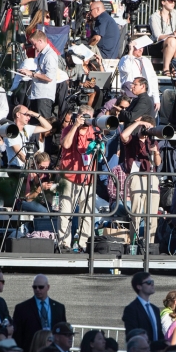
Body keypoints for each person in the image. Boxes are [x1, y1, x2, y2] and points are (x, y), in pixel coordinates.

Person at [56, 104, 96, 252]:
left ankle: (83, 244)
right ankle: (64, 244)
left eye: (88, 117)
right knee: (65, 212)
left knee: (87, 214)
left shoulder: (94, 131)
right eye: (83, 116)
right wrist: (75, 126)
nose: (85, 120)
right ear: (77, 116)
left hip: (88, 176)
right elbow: (65, 144)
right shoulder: (68, 129)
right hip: (69, 176)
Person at [119, 115, 162, 245]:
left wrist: (156, 152)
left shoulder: (152, 141)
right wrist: (138, 123)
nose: (146, 131)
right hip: (136, 177)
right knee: (136, 213)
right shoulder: (132, 139)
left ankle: (150, 245)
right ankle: (134, 243)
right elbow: (123, 135)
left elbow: (158, 163)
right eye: (145, 128)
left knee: (152, 215)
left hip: (151, 177)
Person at [12, 274, 67, 352]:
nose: (37, 290)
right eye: (34, 287)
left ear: (48, 287)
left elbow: (63, 331)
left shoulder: (59, 308)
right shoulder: (22, 308)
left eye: (41, 287)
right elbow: (17, 335)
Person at [18, 30, 58, 119]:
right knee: (35, 124)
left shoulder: (50, 55)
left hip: (44, 96)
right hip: (36, 94)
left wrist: (32, 74)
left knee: (43, 124)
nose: (33, 47)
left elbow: (49, 77)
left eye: (34, 44)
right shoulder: (42, 54)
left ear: (40, 41)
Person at [118, 37, 160, 112]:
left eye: (142, 47)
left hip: (147, 95)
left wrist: (156, 99)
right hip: (132, 95)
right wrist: (130, 51)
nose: (141, 50)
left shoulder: (146, 60)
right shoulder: (125, 59)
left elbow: (153, 79)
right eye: (138, 47)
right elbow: (126, 69)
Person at [4, 105, 52, 169]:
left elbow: (48, 127)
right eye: (26, 115)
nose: (29, 118)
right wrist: (32, 166)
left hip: (25, 166)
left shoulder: (27, 128)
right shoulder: (11, 130)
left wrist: (36, 115)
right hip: (15, 167)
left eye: (30, 115)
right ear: (18, 114)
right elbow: (19, 154)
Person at [122, 272, 163, 343]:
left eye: (152, 282)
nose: (152, 284)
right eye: (149, 282)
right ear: (139, 286)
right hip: (141, 351)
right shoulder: (131, 309)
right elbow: (132, 334)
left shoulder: (155, 309)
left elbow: (159, 333)